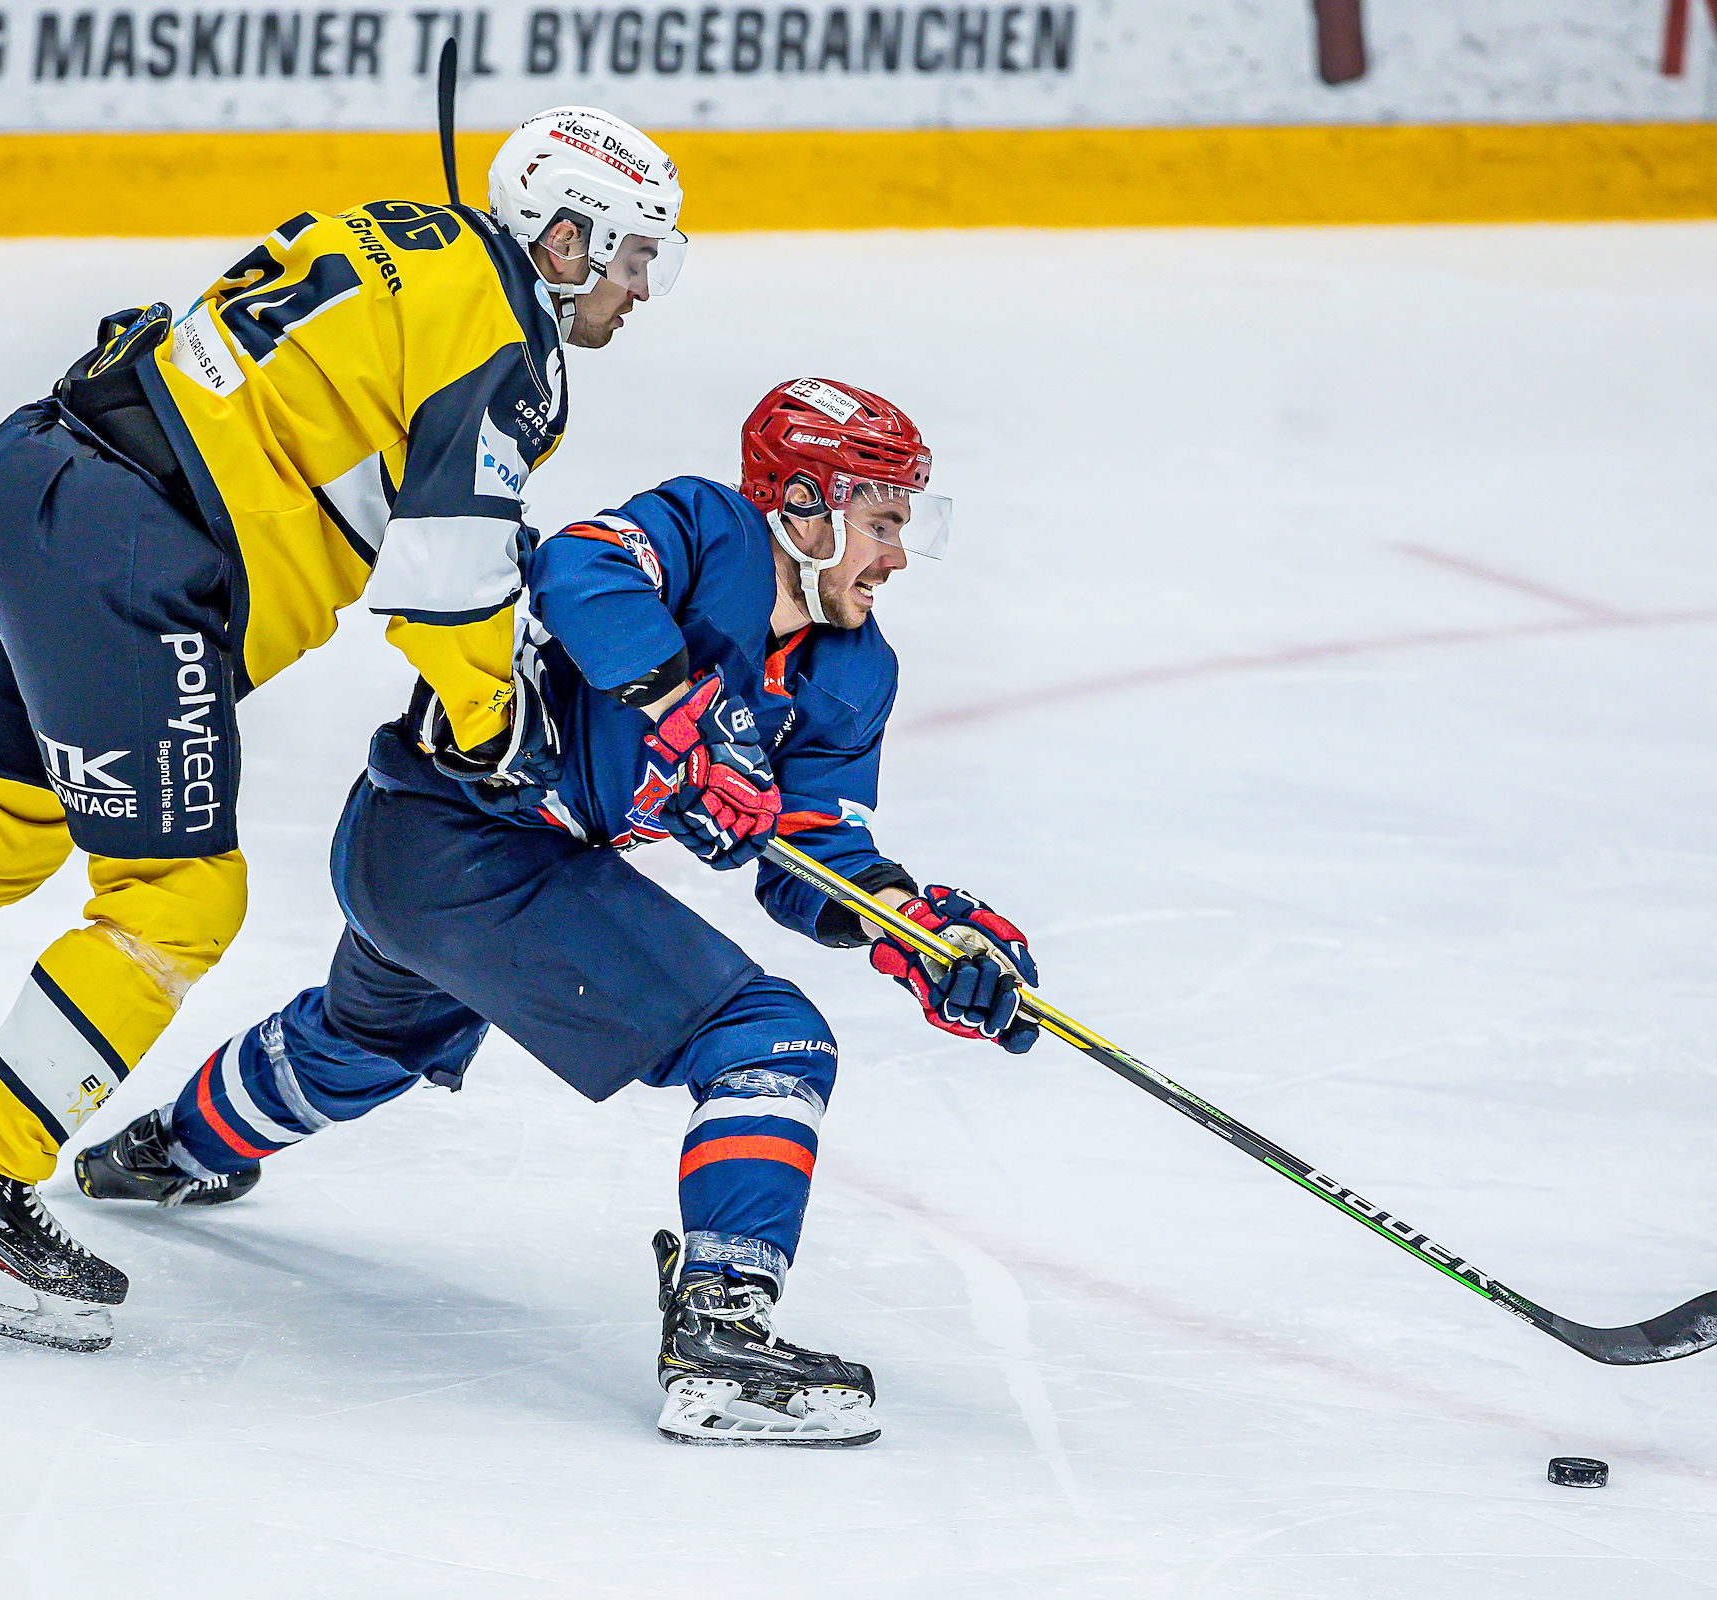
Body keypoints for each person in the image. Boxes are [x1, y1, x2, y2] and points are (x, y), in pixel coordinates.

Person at [0, 108, 690, 1353]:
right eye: (635, 255)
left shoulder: (403, 233)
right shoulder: (512, 344)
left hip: (29, 473)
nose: (641, 288)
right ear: (564, 239)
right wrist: (496, 724)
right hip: (133, 560)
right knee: (179, 895)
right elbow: (445, 577)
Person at [73, 379, 1042, 1443]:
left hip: (442, 868)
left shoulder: (853, 670)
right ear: (805, 503)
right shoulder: (707, 530)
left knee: (364, 1043)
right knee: (770, 1040)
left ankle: (169, 1149)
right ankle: (720, 1335)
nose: (898, 555)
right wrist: (684, 708)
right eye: (884, 522)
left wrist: (915, 931)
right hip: (454, 831)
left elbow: (813, 851)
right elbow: (578, 567)